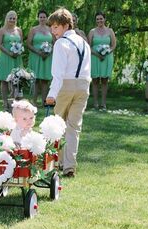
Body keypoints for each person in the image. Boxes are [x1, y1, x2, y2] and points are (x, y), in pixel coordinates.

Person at [45, 8, 91, 178]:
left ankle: (53, 163)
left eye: (55, 27)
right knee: (73, 127)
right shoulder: (84, 42)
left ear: (65, 26)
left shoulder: (61, 43)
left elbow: (58, 73)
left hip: (66, 85)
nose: (52, 31)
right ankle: (69, 166)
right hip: (84, 86)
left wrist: (51, 94)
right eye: (52, 27)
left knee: (57, 125)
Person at [88, 12, 116, 110]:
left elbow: (113, 45)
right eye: (97, 19)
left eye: (101, 18)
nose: (99, 21)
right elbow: (88, 46)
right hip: (95, 57)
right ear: (95, 20)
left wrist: (107, 52)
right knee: (95, 80)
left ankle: (103, 103)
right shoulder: (92, 32)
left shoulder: (110, 31)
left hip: (107, 58)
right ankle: (95, 103)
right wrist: (97, 54)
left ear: (104, 19)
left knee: (104, 80)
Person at [0, 10, 23, 110]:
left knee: (16, 80)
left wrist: (18, 51)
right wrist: (9, 53)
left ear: (16, 19)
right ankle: (4, 102)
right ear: (7, 19)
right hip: (5, 57)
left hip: (16, 57)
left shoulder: (19, 30)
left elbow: (21, 43)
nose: (12, 20)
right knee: (4, 80)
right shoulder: (2, 30)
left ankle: (13, 100)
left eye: (14, 18)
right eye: (10, 18)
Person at [27, 10, 53, 107]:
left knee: (45, 80)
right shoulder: (33, 29)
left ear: (47, 18)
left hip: (47, 57)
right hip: (36, 56)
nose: (42, 19)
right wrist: (38, 52)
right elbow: (28, 44)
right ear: (38, 18)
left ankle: (44, 101)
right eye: (40, 17)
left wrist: (49, 51)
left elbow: (55, 43)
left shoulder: (51, 30)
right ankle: (34, 101)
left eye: (44, 17)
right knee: (36, 79)